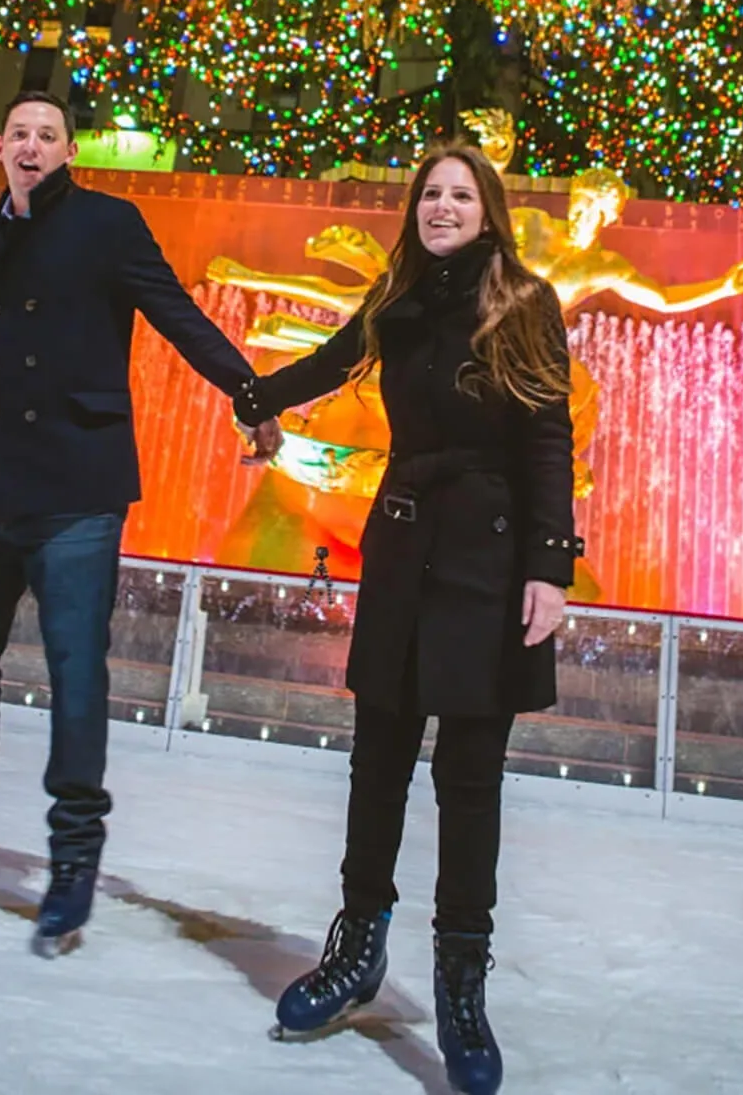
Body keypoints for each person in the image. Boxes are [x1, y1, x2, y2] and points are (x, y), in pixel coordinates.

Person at [0, 92, 281, 952]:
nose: (32, 145)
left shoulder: (110, 223)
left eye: (48, 134)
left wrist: (249, 393)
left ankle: (73, 857)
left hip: (77, 486)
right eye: (20, 133)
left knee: (78, 676)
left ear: (70, 150)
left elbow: (176, 314)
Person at [235, 142, 578, 1095]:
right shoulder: (397, 298)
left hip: (490, 558)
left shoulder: (524, 300)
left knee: (470, 780)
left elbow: (551, 434)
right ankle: (356, 949)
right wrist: (253, 396)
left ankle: (461, 989)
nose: (442, 206)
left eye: (460, 194)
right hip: (403, 542)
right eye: (430, 192)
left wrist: (552, 565)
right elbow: (331, 360)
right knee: (376, 764)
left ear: (488, 208)